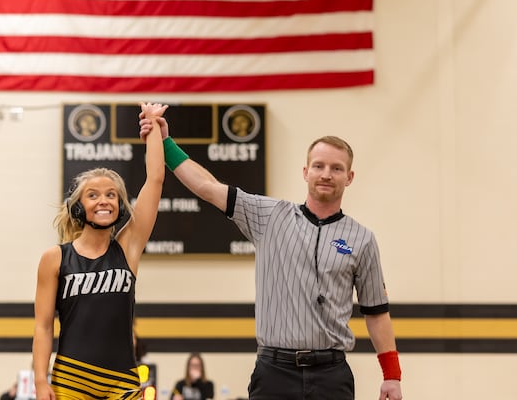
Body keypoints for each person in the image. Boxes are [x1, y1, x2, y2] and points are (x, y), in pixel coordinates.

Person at [140, 113, 403, 400]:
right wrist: (165, 143)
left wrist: (392, 376)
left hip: (331, 374)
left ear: (349, 177)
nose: (326, 174)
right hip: (274, 373)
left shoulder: (362, 239)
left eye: (336, 168)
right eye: (319, 166)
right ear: (306, 172)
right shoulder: (269, 216)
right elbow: (207, 187)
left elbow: (377, 314)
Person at [33, 102, 167, 400]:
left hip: (123, 380)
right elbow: (43, 327)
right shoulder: (55, 258)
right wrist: (40, 381)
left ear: (120, 206)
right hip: (71, 379)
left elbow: (155, 180)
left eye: (111, 195)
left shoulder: (127, 248)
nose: (103, 201)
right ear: (79, 206)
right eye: (92, 195)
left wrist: (154, 127)